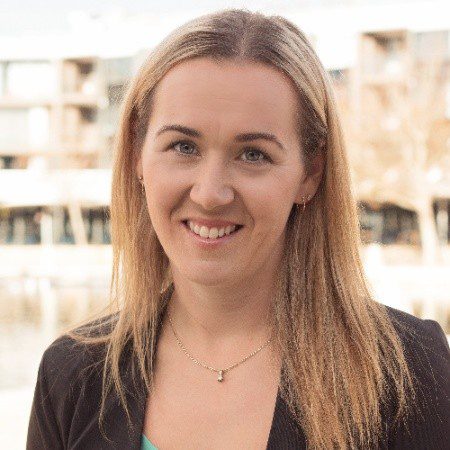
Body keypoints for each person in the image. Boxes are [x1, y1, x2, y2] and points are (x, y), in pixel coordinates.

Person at [26, 8, 449, 450]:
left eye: (253, 155)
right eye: (183, 146)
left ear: (311, 172)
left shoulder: (408, 373)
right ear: (137, 154)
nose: (210, 193)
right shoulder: (71, 376)